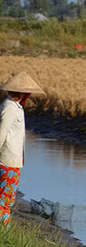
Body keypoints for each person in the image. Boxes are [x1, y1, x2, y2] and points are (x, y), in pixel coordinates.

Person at [0, 72, 44, 227]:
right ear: (22, 93)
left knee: (8, 198)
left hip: (13, 161)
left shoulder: (16, 107)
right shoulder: (10, 107)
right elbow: (2, 132)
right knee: (4, 199)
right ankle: (3, 231)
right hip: (7, 161)